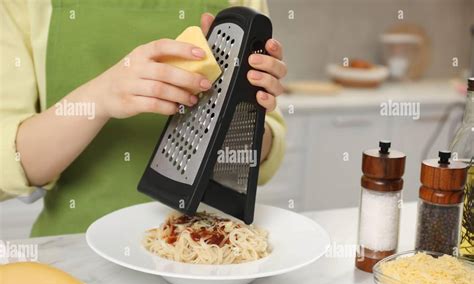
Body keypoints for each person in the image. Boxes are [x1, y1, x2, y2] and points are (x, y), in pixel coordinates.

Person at [0, 0, 287, 237]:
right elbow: (7, 162)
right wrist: (100, 97)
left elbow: (262, 153)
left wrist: (238, 109)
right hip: (74, 250)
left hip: (206, 248)